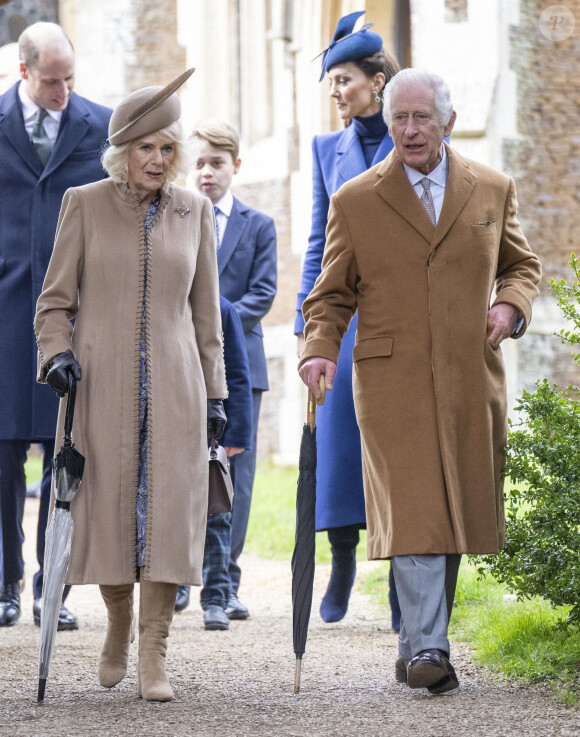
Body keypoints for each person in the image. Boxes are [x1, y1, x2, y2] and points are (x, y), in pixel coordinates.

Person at [298, 68, 542, 694]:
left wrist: (509, 307)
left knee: (453, 507)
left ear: (447, 122)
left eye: (421, 118)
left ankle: (415, 646)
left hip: (468, 373)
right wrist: (319, 350)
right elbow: (329, 295)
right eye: (399, 117)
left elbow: (521, 265)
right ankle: (432, 644)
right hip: (391, 378)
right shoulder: (355, 198)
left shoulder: (491, 188)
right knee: (415, 506)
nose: (408, 130)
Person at [34, 70, 228, 702]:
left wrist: (218, 394)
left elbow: (207, 315)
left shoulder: (193, 210)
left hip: (176, 388)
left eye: (168, 148)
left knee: (169, 516)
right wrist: (56, 355)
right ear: (122, 152)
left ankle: (156, 654)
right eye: (146, 147)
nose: (159, 159)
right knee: (112, 511)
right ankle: (118, 621)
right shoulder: (84, 204)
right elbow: (54, 303)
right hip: (101, 385)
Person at [0, 22, 111, 629]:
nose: (64, 91)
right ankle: (3, 584)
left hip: (71, 316)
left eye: (70, 79)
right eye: (51, 81)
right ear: (23, 73)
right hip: (3, 313)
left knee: (62, 455)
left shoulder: (102, 124)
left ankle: (54, 590)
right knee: (1, 456)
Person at [295, 10, 401, 627]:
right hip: (341, 318)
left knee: (391, 447)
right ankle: (340, 563)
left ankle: (398, 577)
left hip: (397, 318)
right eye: (331, 82)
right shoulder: (323, 149)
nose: (336, 92)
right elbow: (318, 240)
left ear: (377, 81)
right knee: (335, 446)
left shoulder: (411, 138)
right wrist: (312, 326)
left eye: (345, 80)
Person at [191, 120, 277, 620]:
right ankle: (189, 575)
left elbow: (262, 294)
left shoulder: (258, 225)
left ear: (235, 167)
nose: (206, 172)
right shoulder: (176, 220)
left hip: (242, 364)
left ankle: (229, 578)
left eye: (216, 163)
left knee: (235, 478)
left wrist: (211, 327)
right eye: (199, 163)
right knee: (188, 472)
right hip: (186, 364)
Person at [174, 296, 253, 630]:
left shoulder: (221, 307)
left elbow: (236, 373)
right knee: (171, 515)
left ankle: (217, 598)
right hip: (169, 426)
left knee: (218, 515)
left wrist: (237, 433)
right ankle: (174, 585)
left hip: (212, 432)